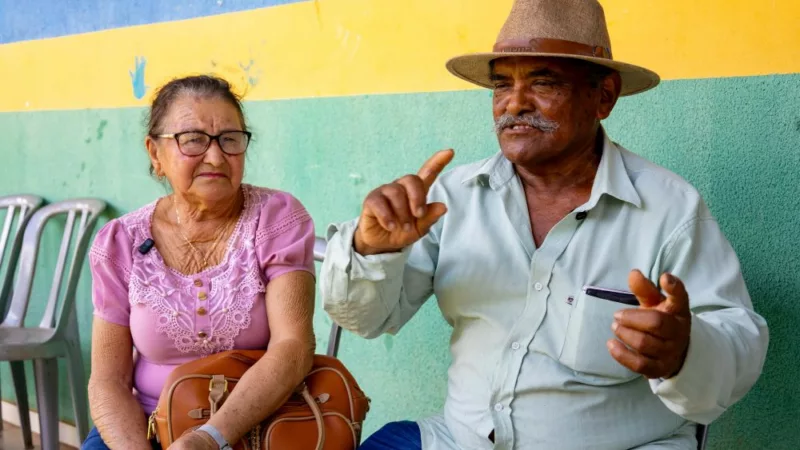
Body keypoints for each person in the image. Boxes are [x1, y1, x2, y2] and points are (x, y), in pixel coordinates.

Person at [320, 0, 769, 449]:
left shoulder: (669, 210)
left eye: (544, 82)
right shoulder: (450, 197)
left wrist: (685, 352)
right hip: (458, 440)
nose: (514, 103)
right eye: (501, 85)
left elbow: (740, 340)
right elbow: (365, 319)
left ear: (604, 96)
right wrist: (372, 249)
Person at [84, 75, 317, 450]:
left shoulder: (276, 219)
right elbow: (107, 380)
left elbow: (294, 346)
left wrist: (210, 438)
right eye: (193, 140)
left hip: (260, 425)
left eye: (229, 139)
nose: (215, 156)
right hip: (143, 427)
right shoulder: (121, 241)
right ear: (155, 154)